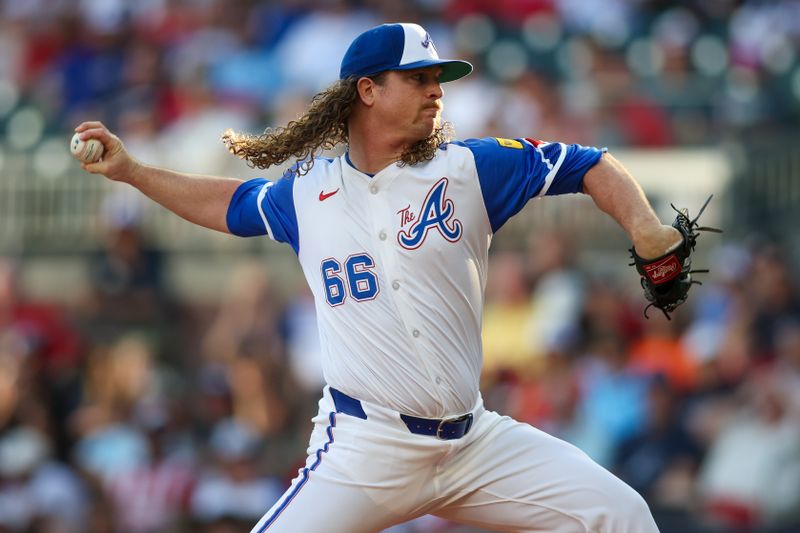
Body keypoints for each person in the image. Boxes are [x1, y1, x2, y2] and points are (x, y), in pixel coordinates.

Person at [76, 22, 679, 533]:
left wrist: (647, 229)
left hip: (475, 442)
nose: (435, 93)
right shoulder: (307, 193)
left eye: (437, 80)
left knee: (622, 515)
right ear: (367, 90)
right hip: (367, 447)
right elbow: (227, 204)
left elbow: (591, 164)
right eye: (417, 79)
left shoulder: (471, 168)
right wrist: (132, 171)